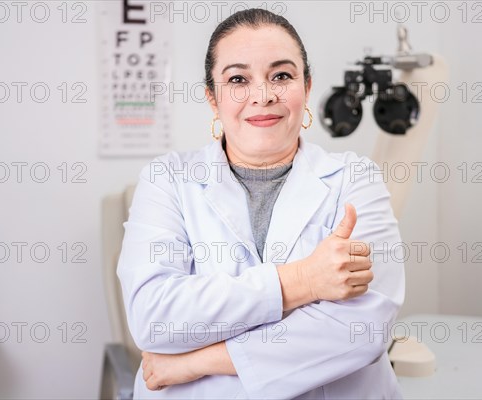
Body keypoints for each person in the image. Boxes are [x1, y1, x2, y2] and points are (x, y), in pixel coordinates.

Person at [117, 8, 405, 399]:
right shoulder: (167, 179)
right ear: (212, 99)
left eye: (282, 76)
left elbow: (362, 330)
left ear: (306, 86)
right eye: (237, 79)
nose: (263, 95)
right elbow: (155, 319)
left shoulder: (356, 180)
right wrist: (303, 280)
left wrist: (194, 361)